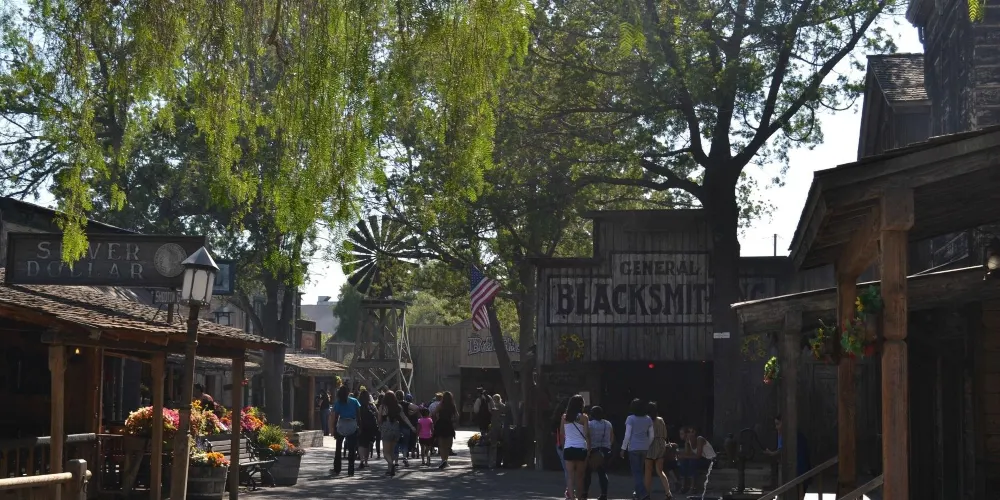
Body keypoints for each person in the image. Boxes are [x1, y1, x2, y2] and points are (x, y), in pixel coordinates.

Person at [764, 414, 811, 498]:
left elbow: (783, 449)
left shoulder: (795, 435)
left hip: (800, 467)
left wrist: (772, 453)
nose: (776, 427)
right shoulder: (783, 434)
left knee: (800, 488)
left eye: (778, 424)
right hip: (795, 467)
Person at [620, 398, 653, 500]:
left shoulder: (630, 419)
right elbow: (651, 435)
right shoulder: (648, 419)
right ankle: (637, 493)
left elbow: (627, 435)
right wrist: (647, 444)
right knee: (640, 471)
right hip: (644, 448)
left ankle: (643, 494)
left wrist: (623, 448)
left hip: (633, 448)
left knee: (636, 472)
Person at [559, 394, 589, 500]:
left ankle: (572, 497)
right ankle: (580, 497)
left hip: (569, 448)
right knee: (580, 477)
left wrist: (563, 447)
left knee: (570, 476)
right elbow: (586, 434)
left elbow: (562, 433)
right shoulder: (584, 418)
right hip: (581, 448)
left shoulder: (564, 417)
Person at [378, 391, 413, 477]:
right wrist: (412, 427)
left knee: (386, 453)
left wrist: (380, 426)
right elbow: (404, 417)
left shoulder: (382, 407)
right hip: (396, 428)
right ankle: (389, 469)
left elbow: (379, 419)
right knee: (392, 451)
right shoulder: (398, 407)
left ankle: (391, 464)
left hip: (386, 428)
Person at [583, 405, 614, 500]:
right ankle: (604, 494)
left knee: (587, 473)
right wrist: (608, 447)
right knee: (602, 473)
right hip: (605, 450)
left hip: (593, 450)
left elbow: (586, 436)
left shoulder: (589, 424)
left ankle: (585, 493)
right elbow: (612, 437)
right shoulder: (608, 424)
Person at [643, 402, 673, 499]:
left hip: (650, 445)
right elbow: (665, 434)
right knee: (660, 471)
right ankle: (668, 492)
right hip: (660, 445)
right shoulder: (660, 420)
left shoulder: (645, 420)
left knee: (648, 471)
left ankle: (647, 494)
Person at [331, 385, 361, 476]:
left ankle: (337, 468)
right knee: (352, 449)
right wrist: (360, 427)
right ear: (348, 392)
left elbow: (336, 417)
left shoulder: (338, 403)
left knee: (338, 448)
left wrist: (334, 429)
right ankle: (351, 470)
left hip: (342, 424)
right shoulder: (354, 401)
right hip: (352, 424)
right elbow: (358, 416)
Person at [677, 426, 717, 494]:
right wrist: (686, 445)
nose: (687, 435)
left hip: (711, 461)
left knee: (692, 462)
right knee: (683, 462)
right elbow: (687, 454)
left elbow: (698, 456)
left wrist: (684, 456)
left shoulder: (699, 439)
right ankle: (684, 486)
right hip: (701, 460)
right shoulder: (688, 441)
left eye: (689, 432)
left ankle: (693, 488)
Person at [432, 391, 459, 469]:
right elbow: (457, 416)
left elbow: (434, 412)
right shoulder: (452, 405)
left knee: (441, 444)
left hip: (440, 424)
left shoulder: (440, 405)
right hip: (449, 424)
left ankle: (443, 460)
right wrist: (454, 421)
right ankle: (445, 461)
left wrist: (437, 417)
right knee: (447, 445)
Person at [395, 390, 417, 467]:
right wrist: (411, 413)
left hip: (395, 426)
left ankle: (396, 461)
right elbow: (416, 407)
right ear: (403, 396)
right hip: (405, 426)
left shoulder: (394, 405)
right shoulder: (406, 404)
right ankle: (405, 457)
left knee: (396, 443)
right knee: (405, 443)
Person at [356, 389, 377, 470]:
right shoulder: (371, 405)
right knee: (367, 444)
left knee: (360, 444)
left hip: (360, 426)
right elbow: (376, 413)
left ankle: (361, 459)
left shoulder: (358, 405)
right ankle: (366, 461)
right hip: (369, 427)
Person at [489, 394, 507, 468]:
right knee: (499, 444)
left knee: (495, 444)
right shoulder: (502, 406)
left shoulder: (497, 406)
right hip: (498, 425)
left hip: (497, 426)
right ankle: (497, 461)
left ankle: (495, 461)